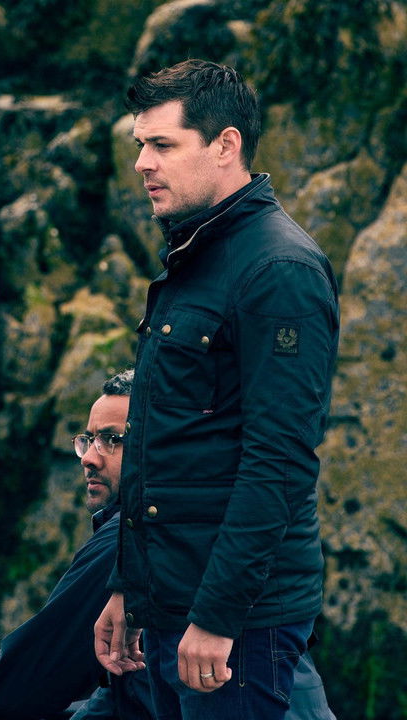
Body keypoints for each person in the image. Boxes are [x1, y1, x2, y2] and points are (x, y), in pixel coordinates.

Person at [93, 59, 340, 720]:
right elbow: (162, 443)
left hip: (234, 625)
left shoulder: (279, 270)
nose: (142, 163)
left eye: (162, 144)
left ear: (226, 144)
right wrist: (129, 587)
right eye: (140, 144)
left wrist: (217, 617)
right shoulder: (195, 254)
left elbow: (279, 462)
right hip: (169, 604)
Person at [0, 371, 335, 720]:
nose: (88, 458)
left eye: (112, 440)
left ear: (162, 448)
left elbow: (34, 673)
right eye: (87, 440)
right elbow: (126, 692)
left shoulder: (132, 536)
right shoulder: (178, 528)